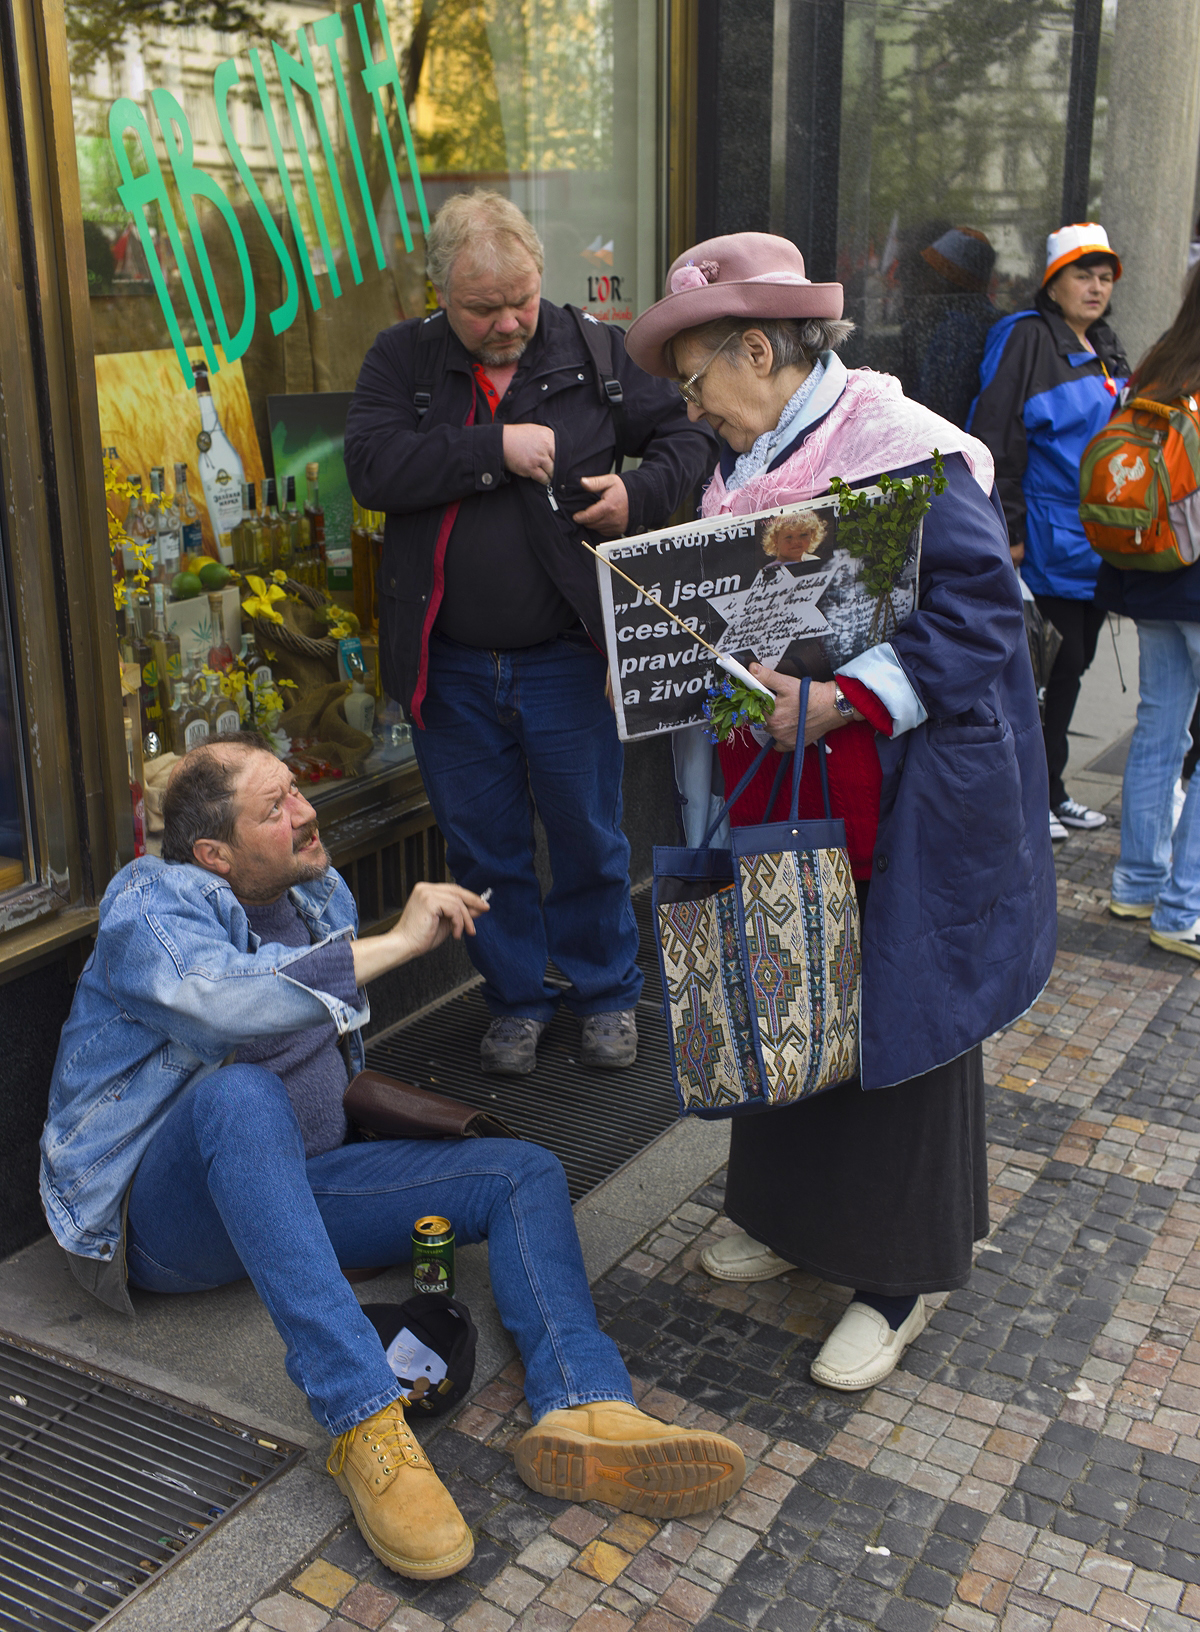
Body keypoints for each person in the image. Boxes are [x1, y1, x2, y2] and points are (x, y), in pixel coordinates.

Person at [38, 735, 745, 1581]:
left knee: (522, 1171)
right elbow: (224, 1002)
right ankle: (366, 1426)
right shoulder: (149, 901)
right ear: (214, 854)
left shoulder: (315, 889)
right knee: (239, 1096)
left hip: (301, 1184)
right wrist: (402, 942)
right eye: (274, 808)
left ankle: (586, 1405)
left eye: (296, 789)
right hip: (158, 1223)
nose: (306, 812)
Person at [625, 232, 1055, 1391]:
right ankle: (788, 1219)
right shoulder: (755, 460)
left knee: (897, 1014)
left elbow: (983, 619)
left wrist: (846, 698)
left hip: (900, 796)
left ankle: (898, 1277)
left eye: (697, 379)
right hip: (791, 777)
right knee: (784, 980)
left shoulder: (902, 448)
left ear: (758, 351)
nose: (692, 408)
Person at [344, 193, 715, 1078]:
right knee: (483, 849)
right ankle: (515, 1000)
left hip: (565, 656)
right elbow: (371, 468)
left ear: (541, 276)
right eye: (483, 309)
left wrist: (640, 493)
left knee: (589, 838)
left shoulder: (594, 350)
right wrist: (492, 448)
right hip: (448, 664)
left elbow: (689, 434)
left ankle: (606, 993)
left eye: (521, 299)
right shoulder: (403, 358)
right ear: (439, 292)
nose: (509, 322)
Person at [968, 222, 1129, 841]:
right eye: (1082, 276)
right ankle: (1033, 796)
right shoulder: (1028, 339)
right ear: (1053, 283)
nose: (1096, 287)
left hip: (1099, 543)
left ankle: (1054, 790)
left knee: (1075, 665)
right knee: (1047, 671)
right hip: (1043, 538)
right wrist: (1006, 529)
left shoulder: (1106, 343)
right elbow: (995, 436)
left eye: (1105, 277)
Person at [1095, 266, 1200, 957]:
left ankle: (1137, 884)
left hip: (1154, 574)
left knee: (1160, 730)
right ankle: (1183, 909)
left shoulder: (1162, 362)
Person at [901, 226, 1000, 428]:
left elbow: (934, 406)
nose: (921, 283)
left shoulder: (955, 331)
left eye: (928, 273)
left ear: (945, 281)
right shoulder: (994, 322)